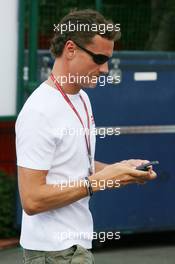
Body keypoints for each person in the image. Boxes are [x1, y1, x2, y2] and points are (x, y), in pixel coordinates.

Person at [15, 9, 157, 264]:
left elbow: (77, 167)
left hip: (73, 247)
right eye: (99, 58)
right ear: (70, 49)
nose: (105, 69)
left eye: (108, 60)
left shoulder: (82, 98)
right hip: (53, 252)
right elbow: (32, 199)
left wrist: (122, 172)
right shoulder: (39, 111)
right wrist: (99, 182)